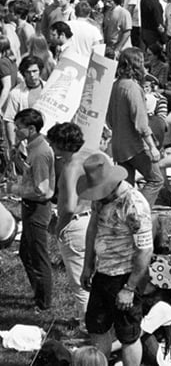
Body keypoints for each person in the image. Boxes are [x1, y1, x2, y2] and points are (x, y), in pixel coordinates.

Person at [79, 152, 153, 366]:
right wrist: (87, 265)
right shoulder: (100, 200)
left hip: (125, 276)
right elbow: (93, 228)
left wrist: (129, 289)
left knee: (127, 334)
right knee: (97, 327)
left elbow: (144, 250)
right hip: (103, 273)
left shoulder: (134, 205)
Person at [107, 47, 163, 206]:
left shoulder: (116, 85)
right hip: (135, 146)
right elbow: (141, 123)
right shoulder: (132, 88)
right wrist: (152, 147)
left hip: (119, 145)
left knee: (127, 187)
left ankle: (123, 218)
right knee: (156, 180)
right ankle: (138, 210)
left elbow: (110, 119)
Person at [12, 107, 54, 311]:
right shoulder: (31, 146)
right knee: (26, 253)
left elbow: (43, 191)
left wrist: (16, 190)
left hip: (37, 209)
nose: (15, 130)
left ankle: (44, 302)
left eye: (18, 127)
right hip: (30, 206)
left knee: (38, 255)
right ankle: (39, 293)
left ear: (30, 128)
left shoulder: (39, 152)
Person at [50, 122, 91, 324]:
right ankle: (91, 320)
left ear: (59, 144)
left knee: (79, 281)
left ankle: (87, 326)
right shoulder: (90, 158)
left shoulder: (70, 168)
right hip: (92, 219)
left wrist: (59, 227)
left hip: (75, 224)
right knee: (92, 275)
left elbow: (68, 206)